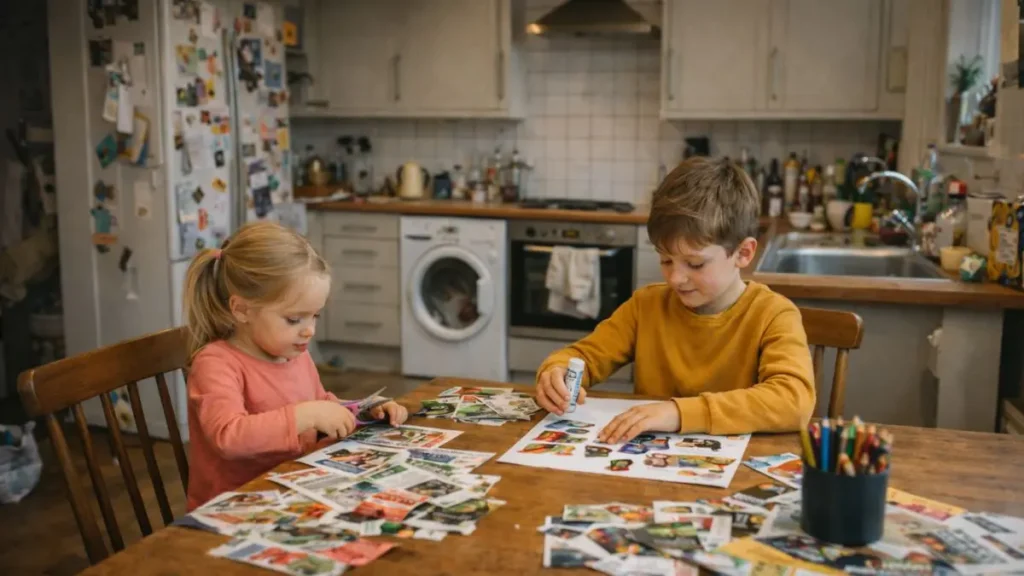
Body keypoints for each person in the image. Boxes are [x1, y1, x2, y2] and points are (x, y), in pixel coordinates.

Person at [534, 157, 815, 441]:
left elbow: (794, 400)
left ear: (743, 253)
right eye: (666, 260)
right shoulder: (646, 306)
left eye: (694, 264)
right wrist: (555, 371)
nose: (675, 278)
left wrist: (678, 413)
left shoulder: (773, 314)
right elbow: (583, 356)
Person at [182, 221, 408, 510]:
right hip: (235, 509)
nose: (309, 330)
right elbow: (229, 436)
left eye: (315, 316)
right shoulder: (215, 364)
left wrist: (364, 410)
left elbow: (319, 405)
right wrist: (304, 415)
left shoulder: (293, 353)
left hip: (294, 491)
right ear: (241, 310)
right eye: (294, 319)